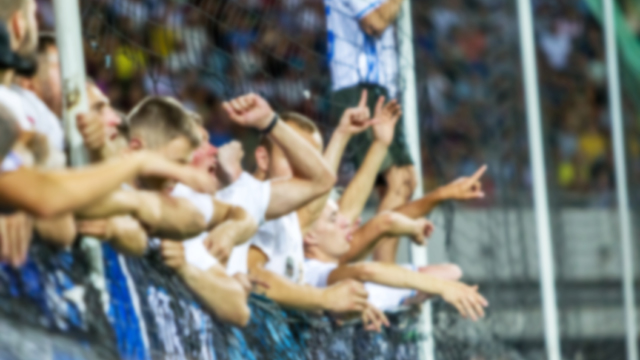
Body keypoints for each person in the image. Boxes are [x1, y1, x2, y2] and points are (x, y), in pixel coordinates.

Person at [325, 0, 417, 263]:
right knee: (399, 181)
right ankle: (382, 276)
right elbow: (374, 22)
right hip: (358, 84)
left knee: (402, 182)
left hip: (378, 85)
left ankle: (382, 270)